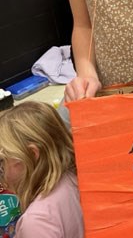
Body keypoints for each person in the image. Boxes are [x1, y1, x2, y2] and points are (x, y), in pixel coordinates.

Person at [0, 101, 84, 238]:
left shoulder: (36, 223)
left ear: (32, 154)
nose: (1, 171)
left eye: (2, 161)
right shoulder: (74, 176)